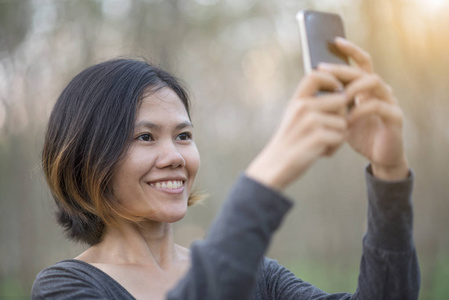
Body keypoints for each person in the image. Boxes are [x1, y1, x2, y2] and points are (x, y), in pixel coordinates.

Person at [32, 38, 420, 300]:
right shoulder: (66, 287)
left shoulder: (256, 276)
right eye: (146, 138)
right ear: (88, 156)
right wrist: (268, 176)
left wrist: (389, 172)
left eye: (183, 135)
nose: (175, 156)